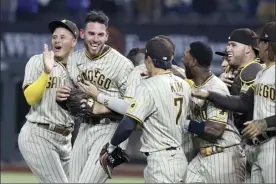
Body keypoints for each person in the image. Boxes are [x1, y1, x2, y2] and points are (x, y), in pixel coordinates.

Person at [192, 22, 276, 183]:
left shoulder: (257, 71)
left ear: (267, 46)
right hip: (256, 147)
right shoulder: (262, 74)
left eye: (261, 42)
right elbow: (243, 102)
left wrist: (264, 123)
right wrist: (209, 93)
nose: (258, 45)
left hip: (272, 142)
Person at [56, 10, 134, 183]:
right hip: (84, 127)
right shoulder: (74, 60)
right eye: (91, 33)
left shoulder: (122, 65)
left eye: (100, 34)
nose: (95, 39)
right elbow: (72, 101)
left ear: (106, 36)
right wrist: (63, 99)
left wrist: (101, 107)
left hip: (110, 130)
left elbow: (133, 108)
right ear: (83, 34)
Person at [99, 37, 191, 183]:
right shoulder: (184, 84)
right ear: (171, 58)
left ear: (148, 59)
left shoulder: (148, 86)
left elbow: (128, 124)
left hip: (161, 160)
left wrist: (111, 146)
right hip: (180, 157)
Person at [18, 19, 79, 183]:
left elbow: (85, 107)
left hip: (66, 141)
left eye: (63, 37)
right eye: (54, 37)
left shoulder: (80, 68)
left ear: (74, 41)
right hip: (38, 135)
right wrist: (46, 72)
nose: (57, 41)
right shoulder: (38, 61)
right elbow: (30, 98)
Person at [180, 41, 246, 183]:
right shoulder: (195, 84)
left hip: (224, 156)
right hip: (202, 157)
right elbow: (177, 74)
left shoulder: (216, 87)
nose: (182, 60)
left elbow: (215, 130)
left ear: (193, 62)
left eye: (185, 57)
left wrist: (183, 123)